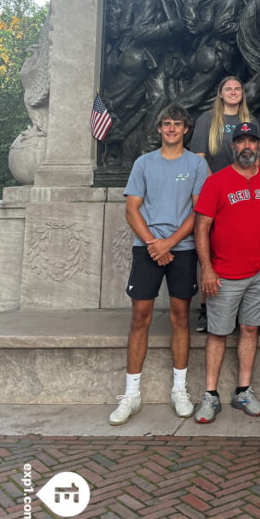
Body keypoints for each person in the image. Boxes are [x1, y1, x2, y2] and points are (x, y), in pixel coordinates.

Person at [109, 105, 209, 425]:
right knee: (140, 317)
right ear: (159, 129)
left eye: (176, 124)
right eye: (166, 124)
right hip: (147, 248)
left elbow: (198, 213)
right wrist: (154, 244)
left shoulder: (196, 164)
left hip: (182, 250)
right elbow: (132, 209)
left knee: (181, 317)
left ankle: (180, 390)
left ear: (185, 130)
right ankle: (132, 394)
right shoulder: (143, 163)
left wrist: (169, 243)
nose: (171, 129)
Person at [192, 121, 260, 423]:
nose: (247, 147)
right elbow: (201, 228)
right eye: (241, 142)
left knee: (250, 329)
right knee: (217, 333)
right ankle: (210, 395)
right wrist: (207, 269)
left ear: (259, 147)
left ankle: (243, 390)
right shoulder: (216, 182)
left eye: (252, 142)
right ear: (232, 147)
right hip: (224, 272)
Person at [189, 75, 258, 334]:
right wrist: (217, 186)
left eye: (237, 88)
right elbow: (199, 158)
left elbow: (256, 160)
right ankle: (207, 308)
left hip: (244, 196)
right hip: (215, 192)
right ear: (220, 93)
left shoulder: (251, 121)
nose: (232, 92)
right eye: (228, 88)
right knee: (210, 248)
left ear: (242, 93)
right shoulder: (208, 120)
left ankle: (240, 307)